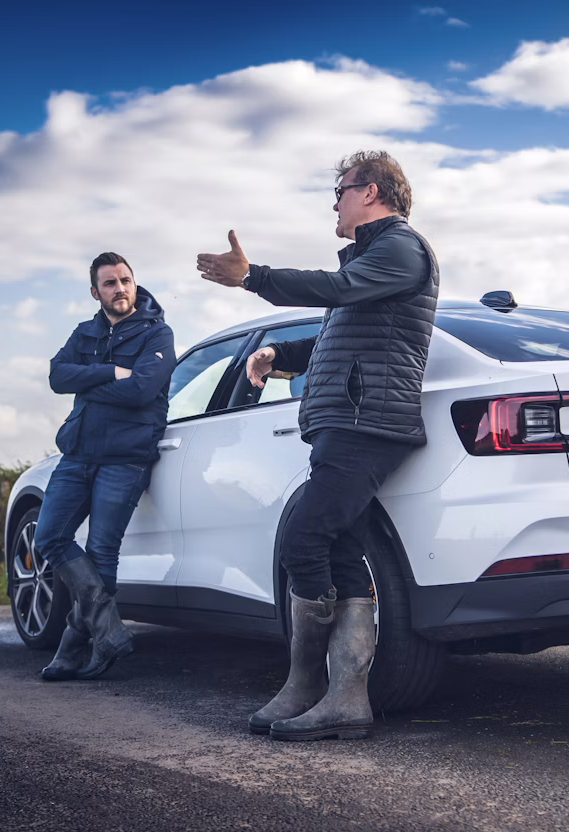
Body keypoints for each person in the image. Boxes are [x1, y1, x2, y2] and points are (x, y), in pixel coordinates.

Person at [196, 150, 439, 740]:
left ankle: (310, 682)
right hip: (347, 419)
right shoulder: (371, 261)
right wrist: (280, 355)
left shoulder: (401, 248)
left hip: (366, 423)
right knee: (339, 549)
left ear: (373, 191)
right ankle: (343, 697)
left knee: (304, 535)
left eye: (341, 190)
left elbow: (341, 289)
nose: (334, 202)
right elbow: (345, 334)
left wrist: (253, 277)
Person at [35, 252, 175, 681]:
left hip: (126, 458)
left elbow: (141, 391)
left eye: (126, 280)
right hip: (77, 453)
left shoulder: (158, 334)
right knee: (48, 538)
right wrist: (110, 371)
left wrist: (90, 383)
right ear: (95, 292)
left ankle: (74, 648)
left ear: (135, 283)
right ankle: (109, 633)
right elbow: (58, 377)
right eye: (110, 283)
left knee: (100, 553)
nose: (121, 289)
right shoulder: (85, 332)